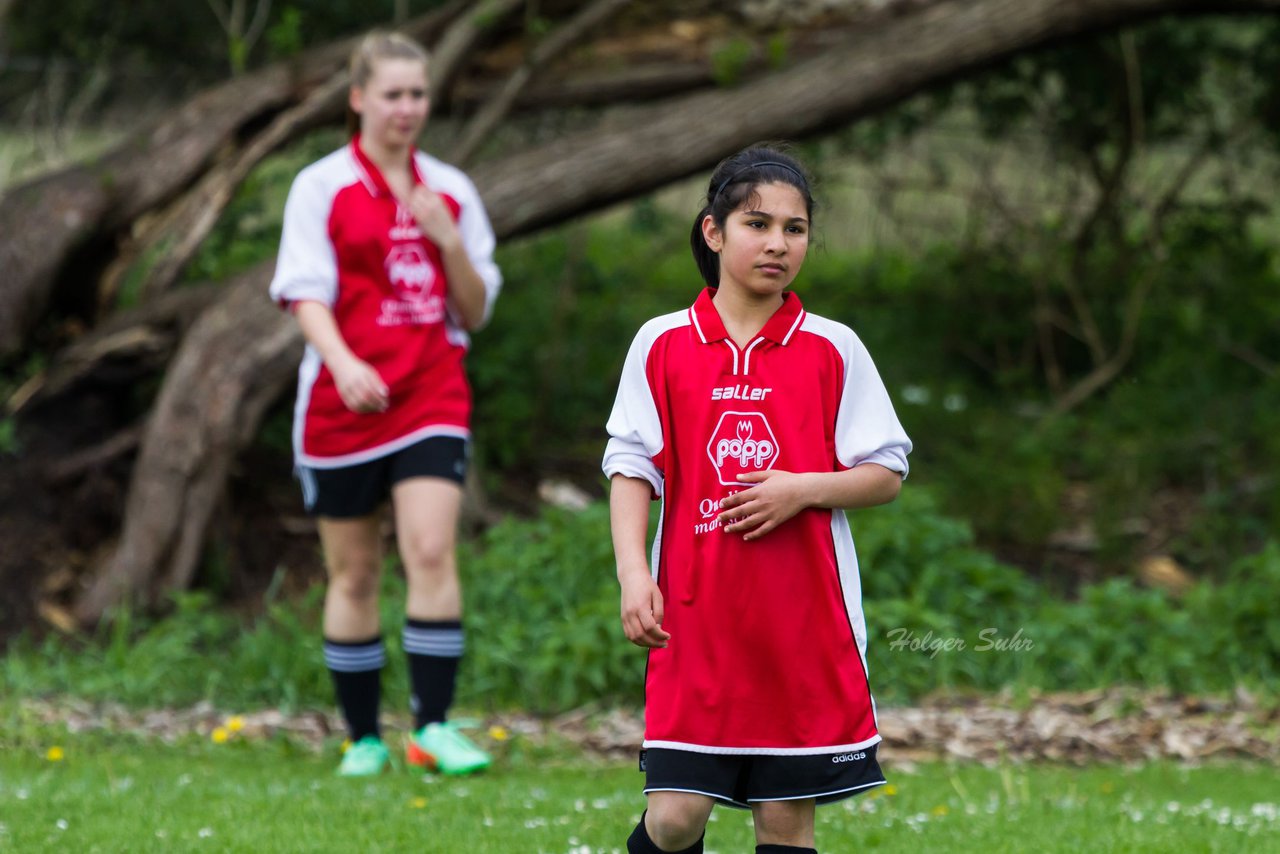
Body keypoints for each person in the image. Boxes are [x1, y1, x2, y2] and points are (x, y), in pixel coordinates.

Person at [602, 145, 912, 854]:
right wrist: (632, 573)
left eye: (795, 228)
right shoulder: (662, 343)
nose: (777, 243)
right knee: (677, 817)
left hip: (800, 623)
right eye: (757, 223)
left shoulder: (834, 349)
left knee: (783, 822)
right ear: (713, 232)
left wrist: (804, 489)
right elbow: (630, 467)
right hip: (693, 618)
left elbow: (886, 471)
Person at [268, 30, 501, 777]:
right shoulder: (320, 185)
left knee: (430, 549)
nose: (408, 108)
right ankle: (362, 738)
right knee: (356, 573)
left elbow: (475, 311)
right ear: (359, 98)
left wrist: (447, 241)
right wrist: (342, 364)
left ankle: (431, 730)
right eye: (394, 94)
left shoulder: (453, 191)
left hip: (432, 390)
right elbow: (304, 293)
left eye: (419, 94)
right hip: (344, 407)